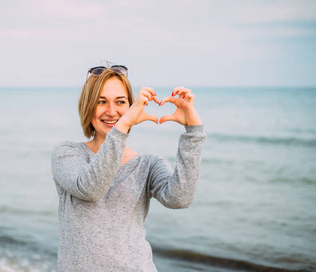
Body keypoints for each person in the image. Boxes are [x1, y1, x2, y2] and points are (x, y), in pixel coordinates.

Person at [51, 64, 206, 271]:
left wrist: (193, 131)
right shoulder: (67, 153)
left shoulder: (149, 164)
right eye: (101, 102)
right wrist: (122, 126)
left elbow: (180, 199)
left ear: (131, 107)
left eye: (121, 102)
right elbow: (90, 188)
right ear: (88, 106)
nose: (112, 111)